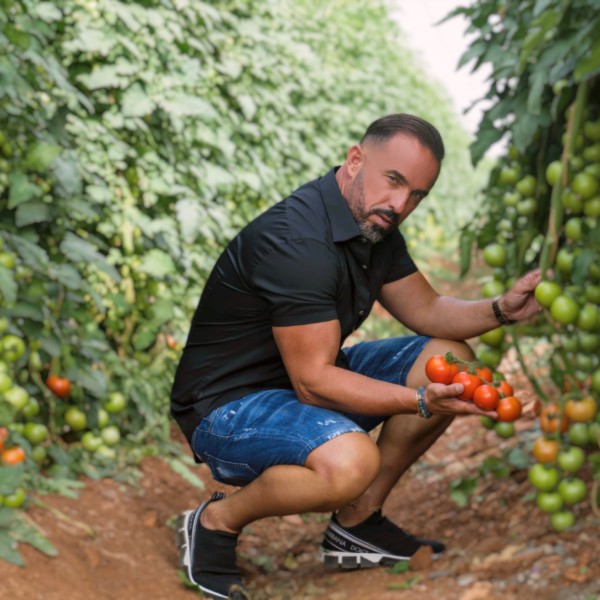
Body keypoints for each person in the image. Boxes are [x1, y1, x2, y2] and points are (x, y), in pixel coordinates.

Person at [171, 113, 541, 599]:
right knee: (351, 461)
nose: (400, 204)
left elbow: (428, 310)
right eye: (394, 181)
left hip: (298, 382)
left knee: (451, 355)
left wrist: (502, 310)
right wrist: (420, 401)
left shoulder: (374, 225)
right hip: (228, 408)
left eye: (417, 195)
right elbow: (313, 383)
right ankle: (215, 523)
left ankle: (356, 522)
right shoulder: (298, 241)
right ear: (354, 160)